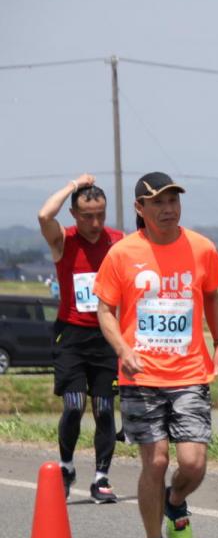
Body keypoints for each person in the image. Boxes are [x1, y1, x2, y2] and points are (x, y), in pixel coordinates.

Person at [94, 172, 218, 538]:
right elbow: (104, 310)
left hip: (189, 371)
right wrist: (122, 349)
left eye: (173, 200)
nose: (168, 208)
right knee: (153, 461)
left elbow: (212, 297)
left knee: (193, 463)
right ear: (140, 209)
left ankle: (175, 501)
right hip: (141, 374)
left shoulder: (202, 249)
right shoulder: (122, 254)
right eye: (157, 202)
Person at [37, 173, 123, 503]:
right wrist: (74, 186)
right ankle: (67, 466)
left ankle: (101, 478)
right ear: (74, 214)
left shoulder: (117, 241)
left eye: (101, 214)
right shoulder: (64, 240)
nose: (96, 222)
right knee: (73, 406)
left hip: (106, 336)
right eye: (88, 215)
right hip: (71, 335)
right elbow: (45, 215)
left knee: (103, 408)